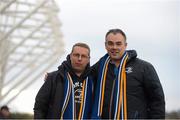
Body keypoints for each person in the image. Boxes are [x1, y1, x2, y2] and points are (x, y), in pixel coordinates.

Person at [91, 28, 165, 119]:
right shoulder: (99, 68)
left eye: (118, 44)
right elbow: (80, 74)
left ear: (125, 45)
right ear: (105, 45)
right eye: (110, 43)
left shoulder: (144, 67)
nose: (114, 47)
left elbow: (157, 100)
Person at [34, 43, 94, 119]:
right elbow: (40, 106)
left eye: (83, 56)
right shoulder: (54, 78)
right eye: (76, 55)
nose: (79, 59)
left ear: (88, 59)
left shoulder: (94, 80)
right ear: (70, 56)